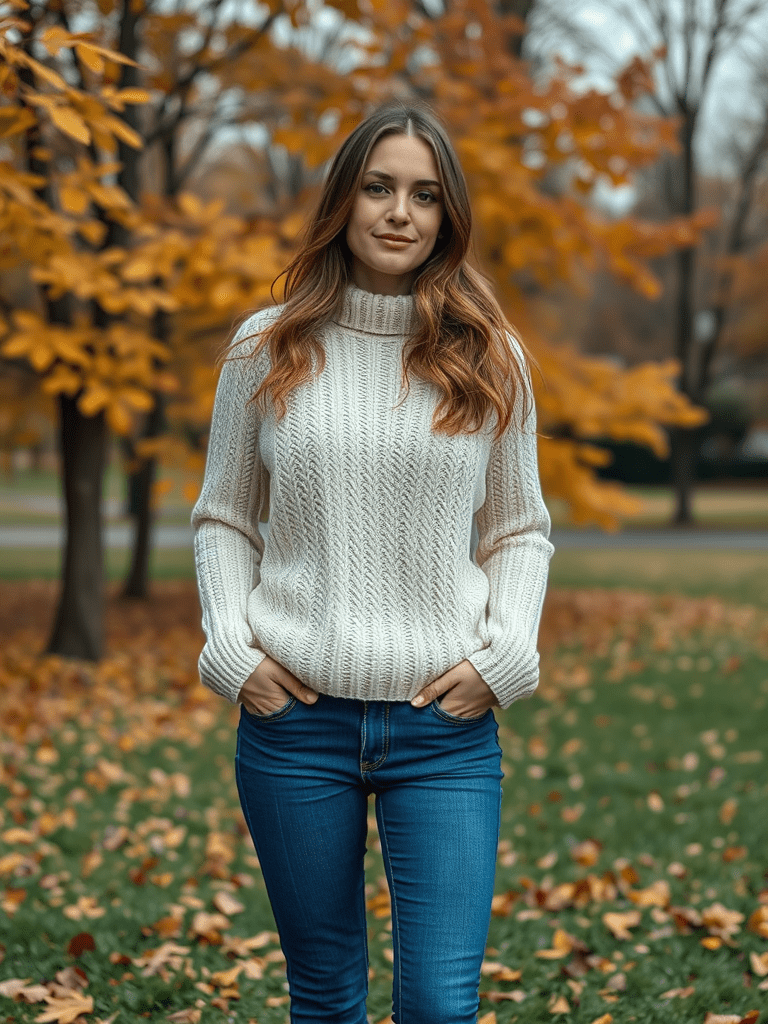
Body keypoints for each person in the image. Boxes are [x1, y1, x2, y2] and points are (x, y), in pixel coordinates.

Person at [191, 100, 555, 1024]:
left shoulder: (489, 356)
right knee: (324, 996)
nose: (401, 212)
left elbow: (518, 529)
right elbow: (225, 518)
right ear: (343, 203)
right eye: (379, 187)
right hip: (294, 724)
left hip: (444, 728)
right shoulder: (266, 346)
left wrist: (503, 658)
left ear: (448, 217)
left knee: (438, 1002)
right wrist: (235, 654)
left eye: (426, 195)